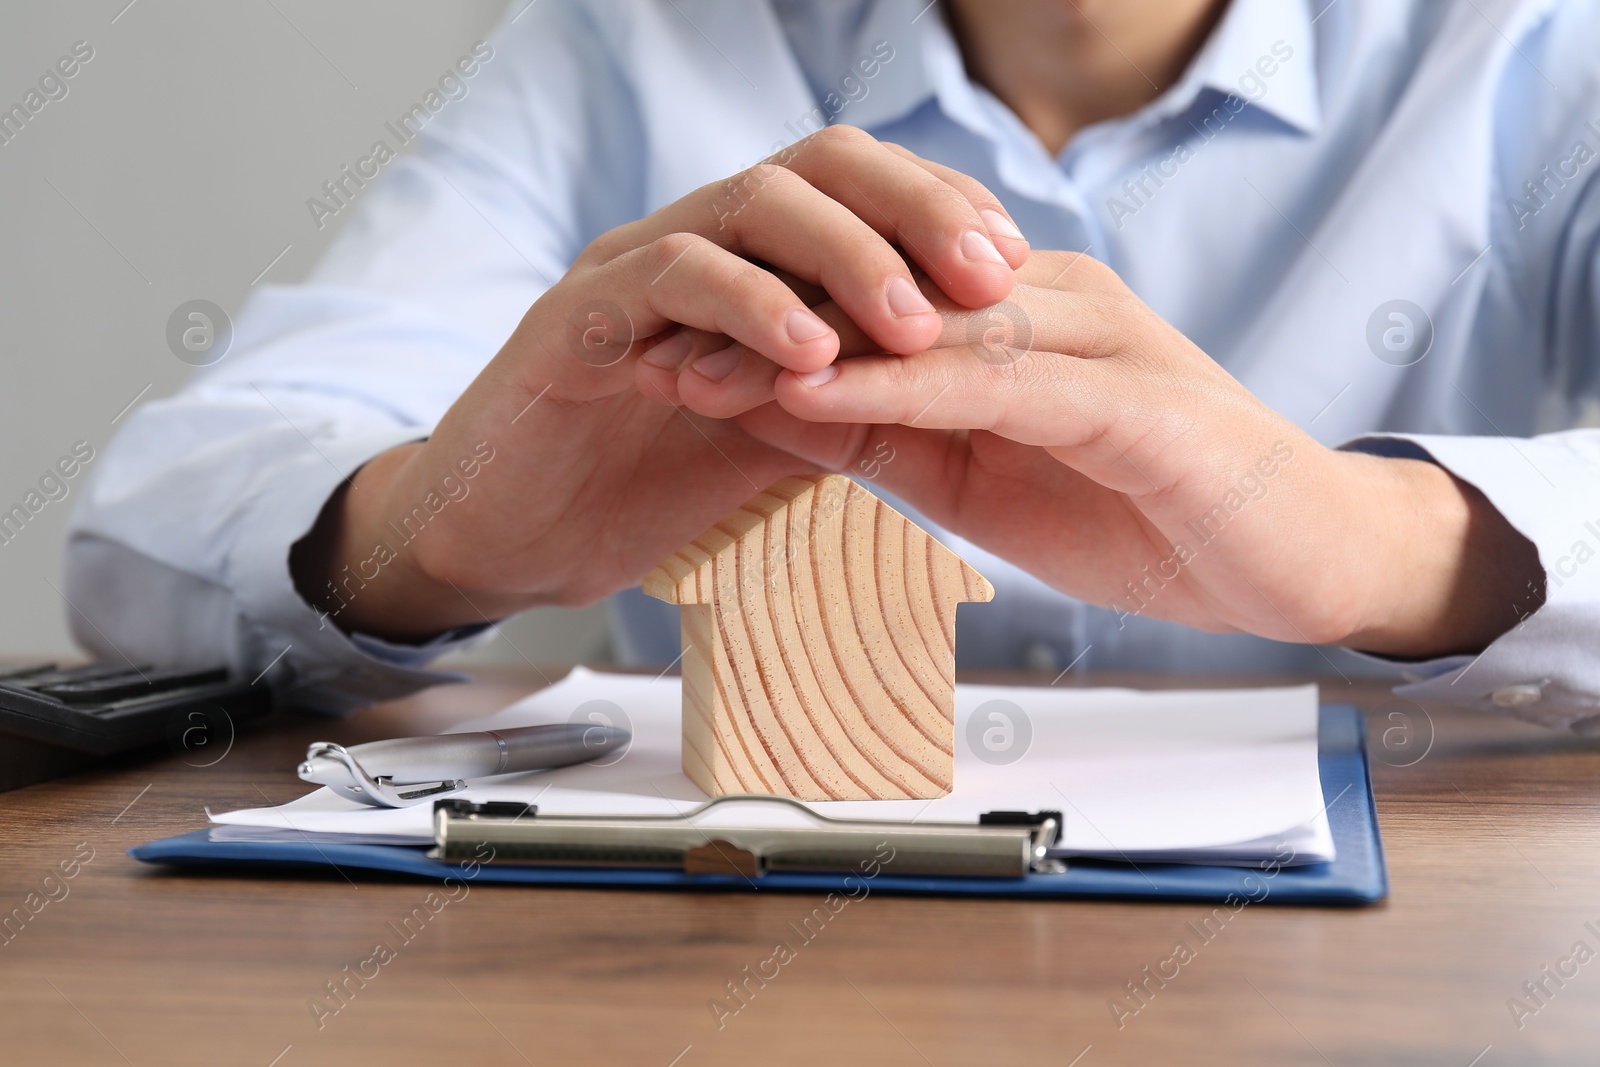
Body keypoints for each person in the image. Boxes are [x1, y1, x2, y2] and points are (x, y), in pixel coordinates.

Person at [66, 0, 1600, 732]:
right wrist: (443, 533)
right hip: (705, 966)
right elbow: (152, 525)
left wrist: (1380, 544)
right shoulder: (630, 40)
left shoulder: (1542, 56)